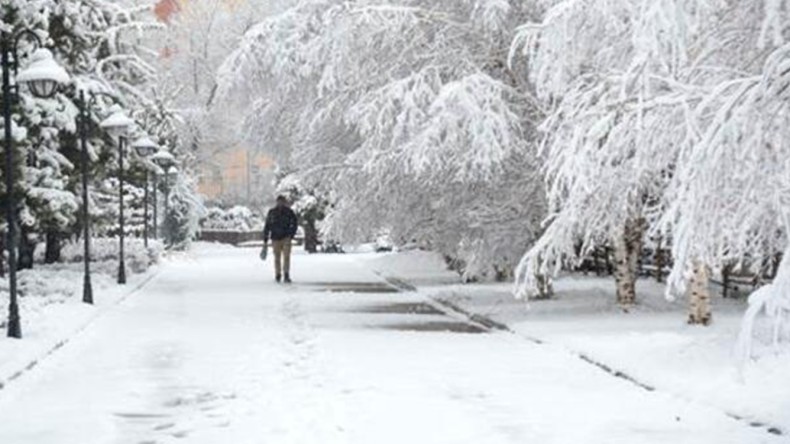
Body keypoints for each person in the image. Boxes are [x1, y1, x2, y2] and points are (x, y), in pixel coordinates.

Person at [263, 195, 298, 283]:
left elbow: (295, 223)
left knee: (286, 257)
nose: (280, 203)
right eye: (279, 201)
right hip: (275, 238)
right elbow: (267, 225)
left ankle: (286, 273)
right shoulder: (272, 212)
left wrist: (291, 234)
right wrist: (265, 238)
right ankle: (278, 274)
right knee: (277, 257)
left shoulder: (289, 212)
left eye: (282, 202)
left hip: (286, 237)